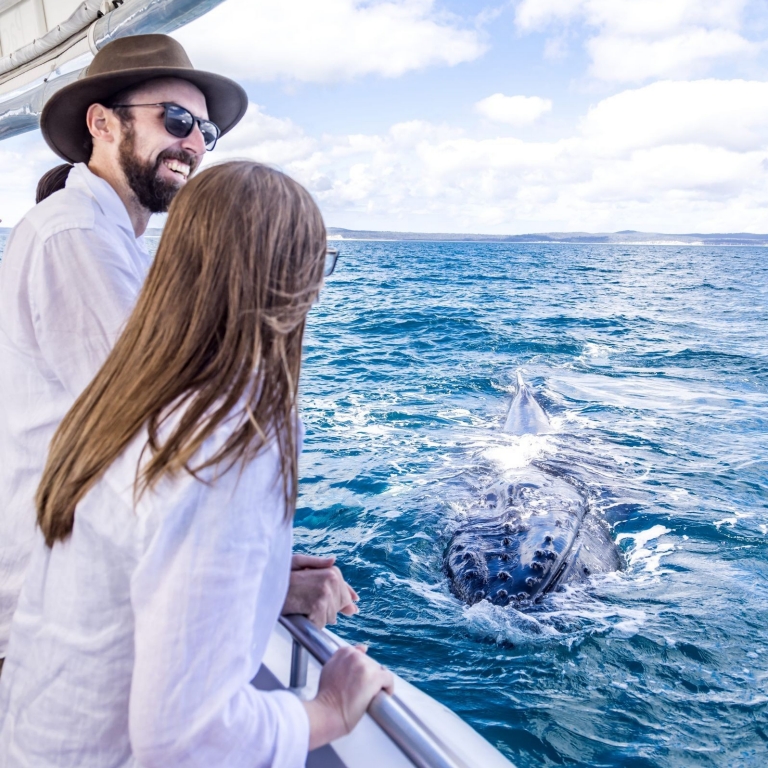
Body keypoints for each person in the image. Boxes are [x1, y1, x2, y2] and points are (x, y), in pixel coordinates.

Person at [0, 161, 394, 766]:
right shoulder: (228, 441)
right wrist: (332, 709)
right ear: (292, 284)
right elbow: (188, 738)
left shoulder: (120, 403)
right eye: (318, 267)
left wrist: (262, 575)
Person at [0, 34, 355, 675]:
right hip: (54, 612)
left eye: (204, 130)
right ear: (102, 124)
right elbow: (148, 439)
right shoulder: (76, 233)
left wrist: (258, 560)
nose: (194, 142)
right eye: (176, 119)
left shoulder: (118, 241)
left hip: (86, 592)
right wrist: (262, 584)